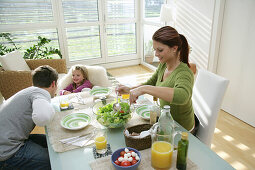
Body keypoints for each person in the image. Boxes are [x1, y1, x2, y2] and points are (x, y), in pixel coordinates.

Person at [117, 26, 195, 132]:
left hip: (182, 130)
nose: (156, 54)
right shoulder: (163, 65)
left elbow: (183, 96)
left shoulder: (184, 72)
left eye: (160, 50)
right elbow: (151, 83)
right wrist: (129, 89)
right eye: (155, 50)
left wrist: (144, 89)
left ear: (174, 48)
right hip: (166, 121)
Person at [0, 65, 58, 169]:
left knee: (51, 141)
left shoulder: (30, 91)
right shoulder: (41, 93)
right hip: (8, 152)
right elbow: (42, 118)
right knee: (55, 162)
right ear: (53, 83)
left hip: (7, 139)